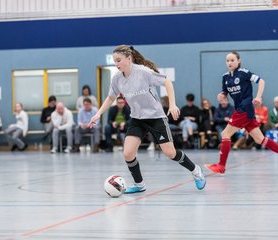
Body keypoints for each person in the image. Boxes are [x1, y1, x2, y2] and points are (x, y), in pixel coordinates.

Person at [88, 45, 206, 193]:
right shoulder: (117, 78)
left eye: (119, 60)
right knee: (128, 153)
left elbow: (167, 82)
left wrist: (173, 104)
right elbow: (111, 97)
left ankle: (196, 171)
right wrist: (98, 114)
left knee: (170, 153)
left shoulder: (143, 72)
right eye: (115, 61)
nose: (116, 64)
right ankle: (139, 184)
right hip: (137, 119)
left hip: (156, 117)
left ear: (129, 58)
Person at [204, 51, 278, 174]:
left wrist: (258, 97)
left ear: (238, 61)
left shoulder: (244, 73)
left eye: (232, 60)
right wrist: (221, 95)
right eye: (227, 60)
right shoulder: (225, 77)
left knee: (225, 134)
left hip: (245, 109)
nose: (229, 63)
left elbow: (261, 81)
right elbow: (224, 92)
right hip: (240, 110)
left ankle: (221, 166)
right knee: (260, 139)